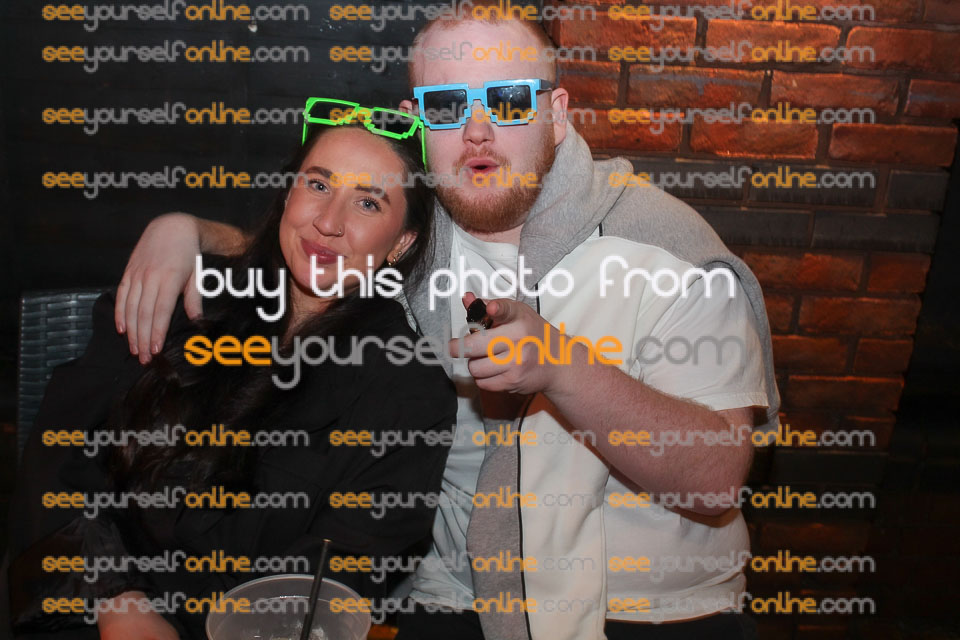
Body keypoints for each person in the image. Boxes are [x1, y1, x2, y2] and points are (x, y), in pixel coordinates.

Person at [109, 4, 780, 639]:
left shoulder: (663, 247)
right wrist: (187, 231)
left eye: (508, 101)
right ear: (416, 120)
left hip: (652, 607)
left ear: (556, 114)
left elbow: (718, 479)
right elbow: (320, 243)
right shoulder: (414, 235)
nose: (478, 131)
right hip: (457, 596)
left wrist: (565, 370)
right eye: (448, 105)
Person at [5, 108, 458, 640]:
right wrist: (119, 601)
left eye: (367, 202)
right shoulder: (186, 295)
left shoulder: (408, 392)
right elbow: (60, 460)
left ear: (402, 242)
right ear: (288, 193)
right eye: (318, 185)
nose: (328, 221)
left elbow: (338, 576)